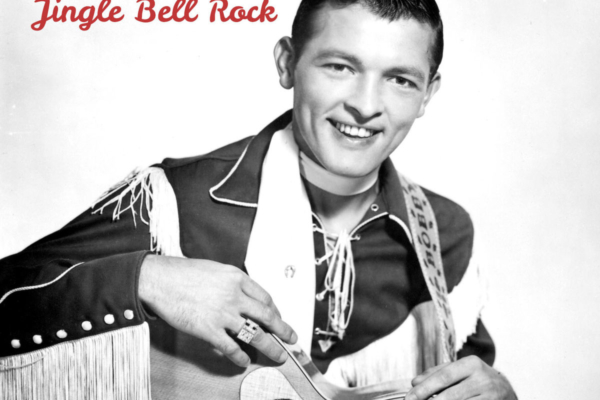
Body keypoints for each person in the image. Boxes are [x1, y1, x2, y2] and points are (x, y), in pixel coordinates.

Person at [0, 0, 517, 399]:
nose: (365, 106)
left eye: (400, 80)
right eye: (340, 67)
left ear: (428, 94)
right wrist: (146, 279)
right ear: (287, 63)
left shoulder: (444, 232)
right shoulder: (175, 202)